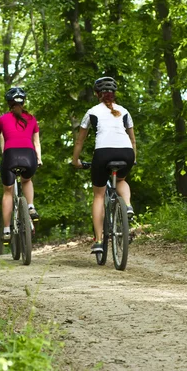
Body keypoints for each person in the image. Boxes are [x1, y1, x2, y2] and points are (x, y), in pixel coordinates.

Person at [71, 77, 136, 254]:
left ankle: (99, 240)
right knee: (121, 179)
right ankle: (128, 206)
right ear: (114, 94)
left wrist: (75, 161)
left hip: (103, 153)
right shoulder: (124, 111)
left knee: (99, 195)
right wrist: (133, 158)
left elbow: (80, 141)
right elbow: (132, 140)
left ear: (96, 94)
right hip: (126, 152)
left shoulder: (92, 112)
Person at [0, 87, 42, 240]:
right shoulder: (32, 119)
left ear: (9, 103)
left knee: (8, 191)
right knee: (27, 179)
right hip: (29, 156)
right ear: (23, 102)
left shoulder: (1, 120)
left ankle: (6, 230)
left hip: (10, 156)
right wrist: (39, 159)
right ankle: (30, 206)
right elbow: (36, 143)